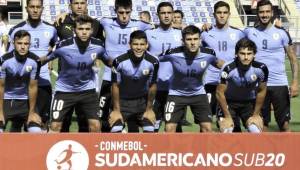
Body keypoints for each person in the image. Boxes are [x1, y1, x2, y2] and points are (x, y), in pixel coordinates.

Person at [43, 15, 109, 132]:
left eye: (87, 29)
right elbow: (46, 58)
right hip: (64, 91)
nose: (84, 32)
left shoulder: (98, 46)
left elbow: (108, 60)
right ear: (74, 30)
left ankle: (92, 150)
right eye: (80, 29)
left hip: (87, 90)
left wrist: (121, 63)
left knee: (95, 126)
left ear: (92, 31)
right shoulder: (63, 46)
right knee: (55, 126)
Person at [98, 0, 152, 132]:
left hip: (130, 78)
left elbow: (158, 30)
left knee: (133, 119)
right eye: (121, 12)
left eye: (127, 13)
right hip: (109, 77)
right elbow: (86, 21)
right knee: (104, 116)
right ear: (115, 11)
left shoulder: (140, 25)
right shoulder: (106, 22)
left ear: (131, 11)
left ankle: (132, 148)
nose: (124, 16)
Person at [244, 0, 298, 132]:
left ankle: (291, 152)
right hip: (259, 85)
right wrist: (208, 27)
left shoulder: (281, 33)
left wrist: (295, 82)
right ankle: (265, 153)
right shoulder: (249, 33)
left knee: (284, 125)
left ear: (272, 13)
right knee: (261, 126)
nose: (264, 14)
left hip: (279, 84)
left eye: (267, 11)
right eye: (261, 11)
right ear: (257, 14)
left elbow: (293, 59)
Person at [160, 25, 224, 132]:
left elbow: (220, 64)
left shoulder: (209, 54)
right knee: (169, 129)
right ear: (183, 41)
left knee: (207, 129)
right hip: (176, 94)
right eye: (189, 39)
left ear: (200, 40)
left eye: (195, 39)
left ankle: (202, 149)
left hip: (198, 94)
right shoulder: (173, 53)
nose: (193, 42)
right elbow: (154, 60)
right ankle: (171, 149)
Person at [54, 0, 104, 133]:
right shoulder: (61, 21)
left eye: (82, 3)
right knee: (63, 123)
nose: (80, 6)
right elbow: (52, 46)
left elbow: (99, 46)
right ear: (70, 5)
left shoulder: (96, 24)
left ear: (87, 5)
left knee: (85, 124)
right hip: (66, 81)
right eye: (76, 3)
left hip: (86, 83)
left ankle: (87, 153)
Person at [8, 0, 58, 131]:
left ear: (42, 9)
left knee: (41, 123)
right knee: (17, 123)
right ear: (26, 8)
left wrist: (47, 59)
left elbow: (56, 47)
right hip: (22, 85)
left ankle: (39, 151)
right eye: (32, 7)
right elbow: (8, 57)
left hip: (43, 83)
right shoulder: (16, 29)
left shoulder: (51, 29)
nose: (35, 10)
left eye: (38, 7)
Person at [201, 1, 245, 132]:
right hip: (211, 81)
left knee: (229, 122)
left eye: (225, 13)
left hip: (230, 83)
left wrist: (277, 26)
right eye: (219, 13)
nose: (222, 15)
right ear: (214, 14)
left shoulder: (239, 34)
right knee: (205, 122)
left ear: (229, 14)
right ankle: (204, 151)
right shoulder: (205, 33)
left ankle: (233, 151)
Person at [145, 2, 185, 132]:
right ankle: (151, 152)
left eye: (169, 13)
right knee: (151, 126)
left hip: (174, 89)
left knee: (174, 127)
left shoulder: (181, 35)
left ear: (173, 14)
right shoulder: (149, 34)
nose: (166, 16)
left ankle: (176, 152)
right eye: (163, 13)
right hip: (154, 87)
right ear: (158, 15)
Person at [109, 30, 159, 133]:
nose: (139, 47)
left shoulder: (153, 62)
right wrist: (116, 110)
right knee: (115, 129)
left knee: (150, 130)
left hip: (142, 102)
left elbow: (152, 86)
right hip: (122, 102)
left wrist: (149, 109)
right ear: (130, 45)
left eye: (142, 44)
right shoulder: (119, 61)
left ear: (146, 45)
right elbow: (115, 86)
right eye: (135, 44)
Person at [216, 38, 268, 133]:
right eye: (242, 53)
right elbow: (220, 93)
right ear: (236, 54)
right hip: (229, 103)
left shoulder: (261, 69)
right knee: (227, 130)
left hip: (248, 103)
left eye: (249, 54)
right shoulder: (228, 68)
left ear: (254, 54)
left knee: (256, 130)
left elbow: (262, 91)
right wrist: (227, 116)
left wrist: (256, 115)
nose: (246, 57)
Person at [0, 30, 42, 132]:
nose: (23, 47)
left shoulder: (35, 61)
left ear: (30, 44)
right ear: (13, 43)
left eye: (26, 43)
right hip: (7, 101)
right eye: (19, 43)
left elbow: (33, 87)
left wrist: (31, 112)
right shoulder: (4, 61)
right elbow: (1, 87)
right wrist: (0, 112)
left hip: (26, 102)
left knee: (36, 131)